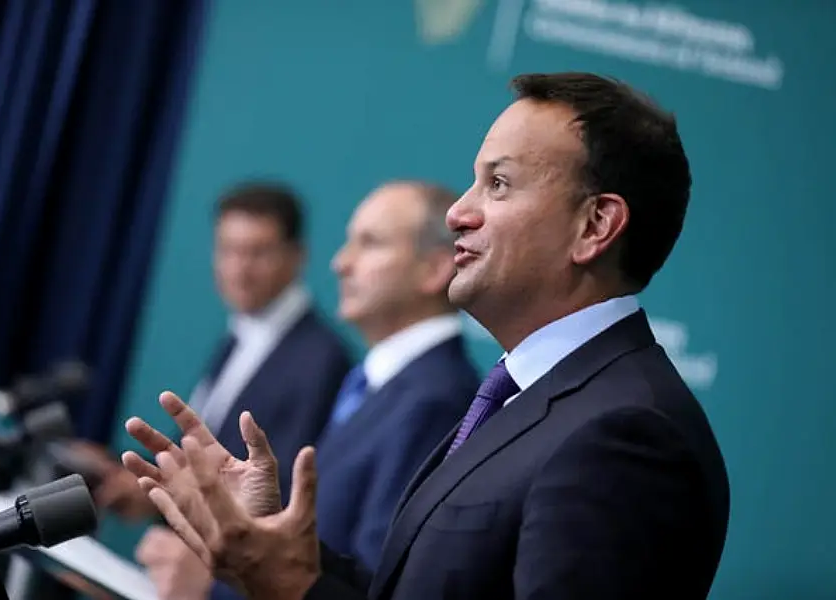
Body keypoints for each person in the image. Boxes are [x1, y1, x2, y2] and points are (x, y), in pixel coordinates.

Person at [121, 72, 731, 600]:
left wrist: (291, 587)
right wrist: (277, 551)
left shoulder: (627, 435)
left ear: (595, 225)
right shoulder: (522, 397)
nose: (457, 213)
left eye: (498, 184)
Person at [81, 182, 352, 599]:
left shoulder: (322, 360)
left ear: (297, 257)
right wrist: (142, 488)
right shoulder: (238, 336)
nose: (239, 269)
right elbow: (206, 451)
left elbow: (273, 493)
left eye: (257, 253)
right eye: (228, 250)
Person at [313, 181, 479, 570]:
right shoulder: (373, 382)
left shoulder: (436, 400)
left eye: (369, 243)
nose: (341, 262)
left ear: (436, 269)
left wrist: (216, 584)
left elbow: (377, 574)